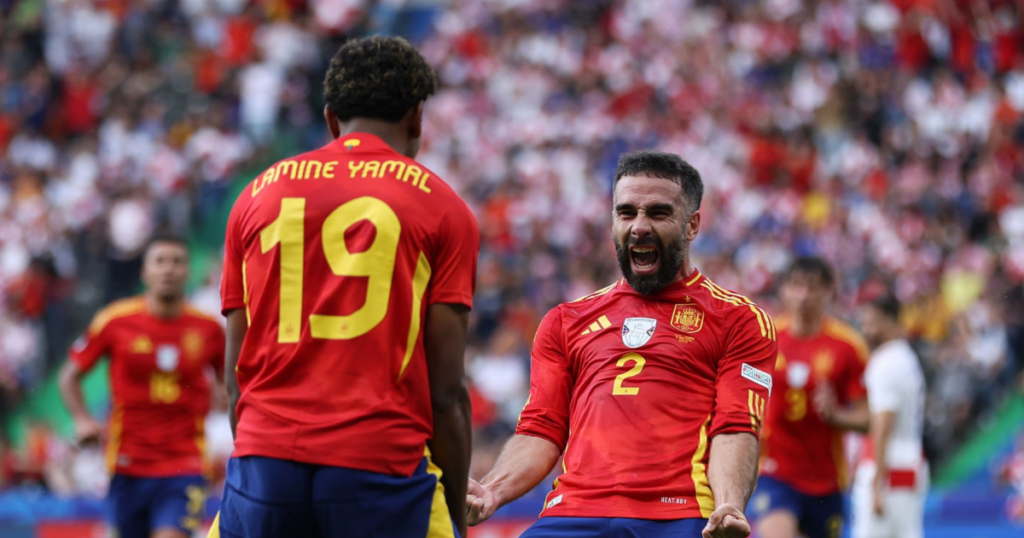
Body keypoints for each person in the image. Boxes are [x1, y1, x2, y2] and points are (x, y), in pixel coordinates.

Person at [213, 36, 479, 538]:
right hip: (380, 468)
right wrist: (455, 509)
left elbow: (235, 378)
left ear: (331, 118)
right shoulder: (444, 208)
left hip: (263, 462)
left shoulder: (255, 195)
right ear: (417, 117)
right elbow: (446, 392)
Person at [466, 150, 778, 538]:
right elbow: (541, 429)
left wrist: (730, 503)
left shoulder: (739, 320)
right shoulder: (564, 321)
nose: (639, 226)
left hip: (677, 516)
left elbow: (735, 427)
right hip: (572, 515)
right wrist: (492, 490)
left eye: (658, 213)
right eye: (626, 212)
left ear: (693, 225)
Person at [58, 236, 226, 538]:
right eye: (160, 261)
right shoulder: (115, 320)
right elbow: (69, 375)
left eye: (177, 262)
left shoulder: (209, 329)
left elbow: (231, 381)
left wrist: (225, 398)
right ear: (145, 273)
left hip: (184, 463)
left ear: (187, 271)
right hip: (126, 463)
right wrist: (83, 419)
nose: (168, 269)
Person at [751, 257, 870, 538]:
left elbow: (867, 420)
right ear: (784, 290)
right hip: (775, 470)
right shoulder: (765, 338)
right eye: (796, 286)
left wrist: (836, 415)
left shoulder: (848, 346)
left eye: (812, 288)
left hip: (826, 479)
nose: (803, 296)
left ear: (829, 291)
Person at [852, 294, 927, 538]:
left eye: (872, 322)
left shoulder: (886, 362)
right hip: (907, 464)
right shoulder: (905, 357)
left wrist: (876, 484)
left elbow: (882, 424)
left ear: (891, 322)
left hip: (888, 470)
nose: (866, 329)